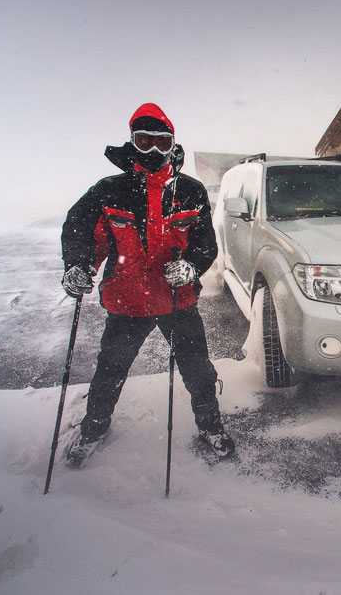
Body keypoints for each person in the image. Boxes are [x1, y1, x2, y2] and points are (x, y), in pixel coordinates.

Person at [60, 102, 234, 467]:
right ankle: (93, 429)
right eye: (144, 141)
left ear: (172, 145)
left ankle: (211, 426)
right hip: (127, 302)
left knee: (198, 371)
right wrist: (79, 265)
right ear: (132, 142)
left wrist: (191, 267)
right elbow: (83, 232)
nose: (153, 150)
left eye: (162, 142)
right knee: (110, 370)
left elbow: (205, 242)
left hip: (176, 300)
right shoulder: (110, 190)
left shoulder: (190, 191)